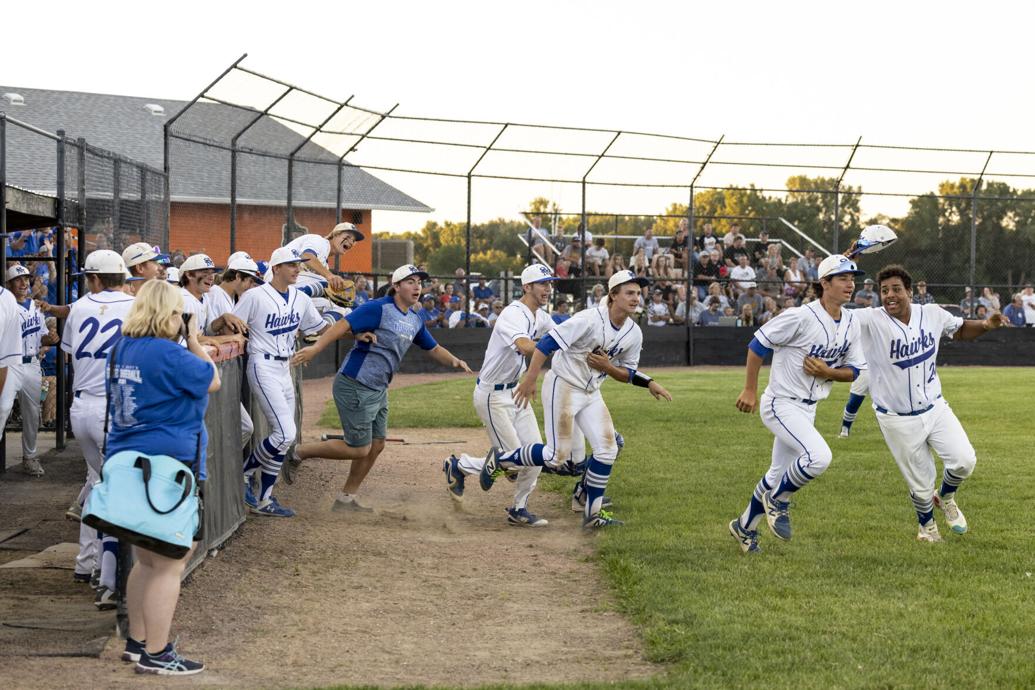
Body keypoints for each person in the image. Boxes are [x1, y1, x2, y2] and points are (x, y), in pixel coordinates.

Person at [480, 269, 672, 528]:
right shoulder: (589, 319)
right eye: (629, 292)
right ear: (613, 295)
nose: (636, 298)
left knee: (608, 449)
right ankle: (501, 460)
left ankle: (591, 515)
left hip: (591, 392)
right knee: (556, 456)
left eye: (638, 293)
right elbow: (546, 344)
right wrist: (530, 379)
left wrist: (647, 382)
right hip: (564, 385)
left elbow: (626, 372)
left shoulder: (633, 332)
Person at [99, 279, 218, 674]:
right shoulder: (169, 353)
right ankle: (157, 652)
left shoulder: (122, 347)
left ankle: (136, 642)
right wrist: (194, 338)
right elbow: (211, 378)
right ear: (167, 315)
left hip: (125, 462)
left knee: (146, 561)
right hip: (165, 469)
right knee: (170, 562)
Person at [847, 260, 1009, 542]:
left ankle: (945, 496)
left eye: (896, 289)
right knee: (920, 485)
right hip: (896, 417)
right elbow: (835, 314)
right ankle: (927, 528)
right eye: (884, 290)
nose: (889, 295)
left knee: (964, 461)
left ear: (910, 292)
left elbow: (958, 329)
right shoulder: (870, 320)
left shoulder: (932, 313)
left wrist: (985, 324)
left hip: (935, 408)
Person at [290, 265, 473, 511]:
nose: (417, 285)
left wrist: (454, 360)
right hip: (355, 383)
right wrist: (315, 348)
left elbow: (433, 347)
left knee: (377, 445)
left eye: (419, 281)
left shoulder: (414, 318)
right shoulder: (378, 308)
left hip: (378, 388)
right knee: (359, 447)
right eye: (410, 281)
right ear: (396, 286)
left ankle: (346, 499)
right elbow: (342, 325)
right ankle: (299, 452)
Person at [728, 254, 866, 554]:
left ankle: (744, 527)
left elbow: (855, 370)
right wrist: (750, 389)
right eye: (842, 278)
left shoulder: (852, 321)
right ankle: (778, 501)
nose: (850, 284)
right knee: (819, 457)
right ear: (824, 283)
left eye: (852, 278)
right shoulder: (800, 316)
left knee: (777, 473)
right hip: (781, 403)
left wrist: (829, 373)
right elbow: (758, 344)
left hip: (809, 407)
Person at [442, 264, 559, 526]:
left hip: (515, 391)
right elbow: (525, 346)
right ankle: (460, 465)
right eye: (542, 283)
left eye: (550, 283)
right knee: (515, 460)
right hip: (492, 396)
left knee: (536, 456)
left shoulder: (540, 316)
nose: (548, 289)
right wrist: (550, 347)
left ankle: (518, 509)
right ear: (527, 287)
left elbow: (562, 331)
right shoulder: (513, 314)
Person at [61, 251, 137, 599]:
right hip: (115, 408)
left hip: (81, 407)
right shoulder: (135, 305)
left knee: (96, 480)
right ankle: (107, 578)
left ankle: (85, 562)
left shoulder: (78, 307)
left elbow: (69, 352)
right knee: (114, 488)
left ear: (94, 278)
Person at [233, 247, 329, 517]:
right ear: (275, 268)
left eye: (298, 265)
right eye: (290, 265)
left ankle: (264, 499)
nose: (297, 269)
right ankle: (244, 473)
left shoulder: (300, 297)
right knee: (285, 433)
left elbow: (320, 328)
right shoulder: (254, 295)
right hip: (262, 364)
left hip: (285, 365)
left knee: (285, 438)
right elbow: (234, 325)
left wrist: (353, 326)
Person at [0, 265, 58, 476]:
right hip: (11, 364)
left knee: (32, 413)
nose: (24, 283)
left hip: (32, 363)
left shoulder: (36, 307)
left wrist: (49, 339)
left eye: (26, 279)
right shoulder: (5, 306)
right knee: (3, 408)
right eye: (18, 279)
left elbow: (41, 336)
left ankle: (30, 457)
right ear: (8, 284)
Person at [204, 254, 263, 450]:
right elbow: (211, 331)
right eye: (249, 280)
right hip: (212, 371)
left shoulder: (228, 297)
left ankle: (230, 475)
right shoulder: (215, 294)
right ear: (237, 276)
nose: (250, 286)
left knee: (242, 427)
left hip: (222, 372)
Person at [178, 254, 247, 346]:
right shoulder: (184, 300)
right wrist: (231, 338)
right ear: (189, 275)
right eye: (205, 272)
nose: (211, 277)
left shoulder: (204, 298)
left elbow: (207, 332)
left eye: (212, 272)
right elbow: (189, 339)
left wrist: (223, 318)